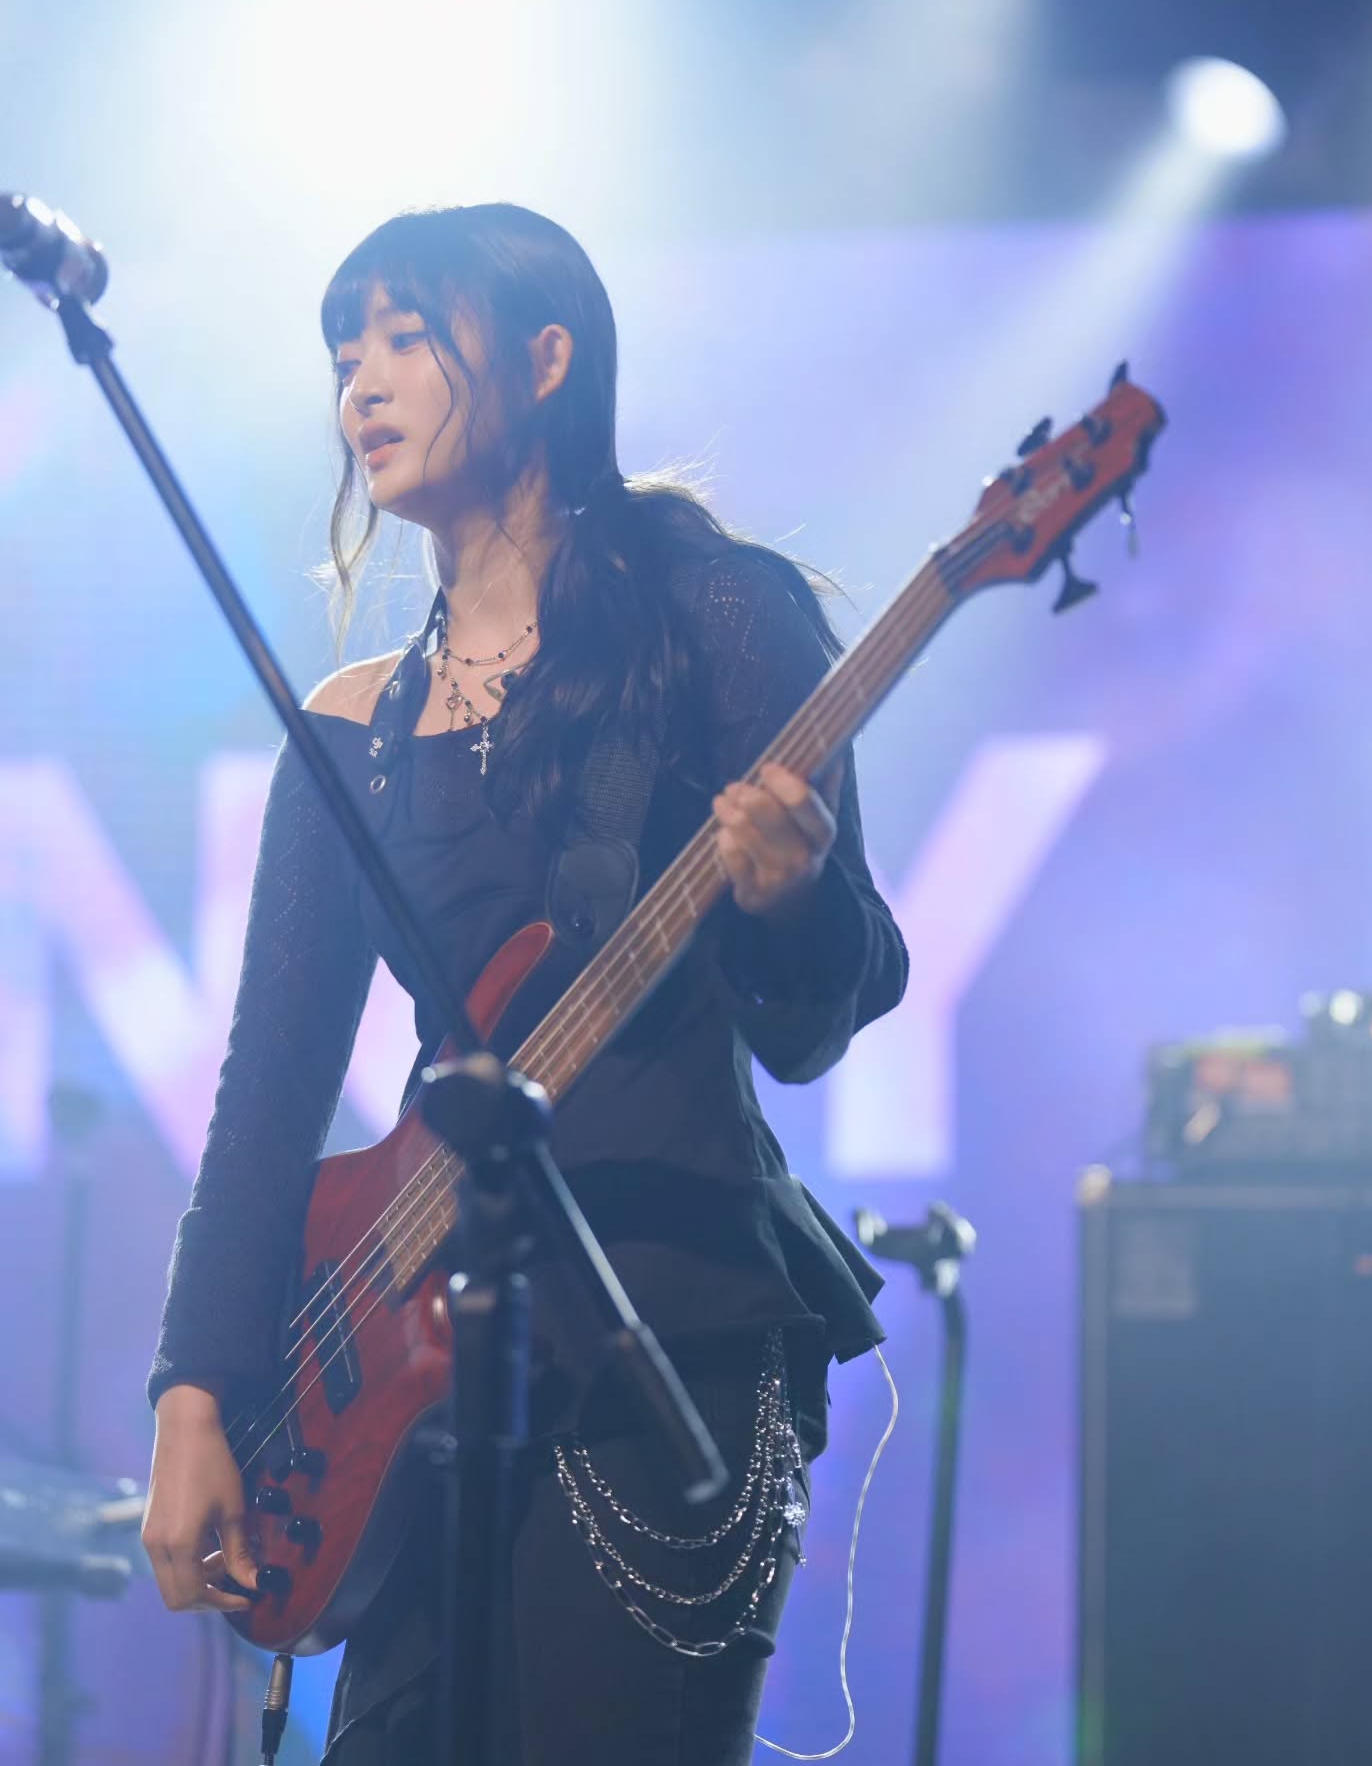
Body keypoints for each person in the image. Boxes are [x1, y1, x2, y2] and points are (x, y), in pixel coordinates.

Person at [141, 202, 908, 1765]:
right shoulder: (350, 728)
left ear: (547, 358)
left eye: (407, 334)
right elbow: (268, 1092)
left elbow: (826, 1012)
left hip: (662, 1335)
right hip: (412, 1383)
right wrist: (196, 1391)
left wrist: (789, 898)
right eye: (344, 350)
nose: (361, 381)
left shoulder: (718, 619)